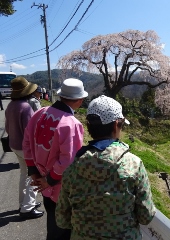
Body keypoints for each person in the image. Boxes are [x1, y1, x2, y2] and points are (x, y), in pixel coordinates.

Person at [56, 95, 156, 239]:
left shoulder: (73, 168)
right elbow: (146, 216)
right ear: (116, 125)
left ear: (89, 126)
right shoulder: (133, 164)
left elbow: (62, 220)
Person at [23, 78, 88, 240]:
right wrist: (49, 180)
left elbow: (27, 143)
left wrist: (34, 173)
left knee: (52, 222)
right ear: (79, 101)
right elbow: (68, 161)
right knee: (63, 230)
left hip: (42, 182)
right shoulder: (72, 124)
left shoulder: (40, 113)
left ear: (60, 96)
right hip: (60, 188)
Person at [5, 77, 44, 219]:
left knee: (24, 175)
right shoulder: (26, 107)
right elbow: (32, 132)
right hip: (26, 149)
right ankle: (27, 208)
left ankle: (24, 203)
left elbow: (8, 128)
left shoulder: (11, 105)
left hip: (14, 146)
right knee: (33, 176)